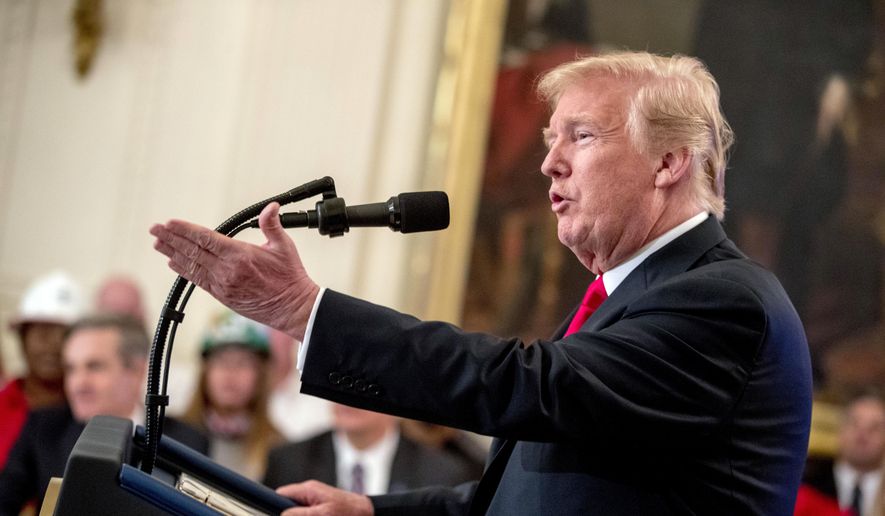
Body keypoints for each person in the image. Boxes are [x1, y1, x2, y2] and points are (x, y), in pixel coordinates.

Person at [150, 51, 813, 515]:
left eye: (579, 136)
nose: (548, 163)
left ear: (667, 161)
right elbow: (529, 493)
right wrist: (370, 513)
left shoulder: (721, 300)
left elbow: (524, 385)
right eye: (551, 139)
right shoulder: (629, 298)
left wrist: (305, 311)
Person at [0, 314, 208, 513]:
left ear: (137, 370)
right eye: (71, 369)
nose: (78, 384)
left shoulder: (187, 441)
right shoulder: (44, 430)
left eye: (94, 367)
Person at [264, 403, 478, 494]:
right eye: (338, 379)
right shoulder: (289, 462)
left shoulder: (442, 475)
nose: (347, 396)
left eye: (364, 382)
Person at [181, 311, 283, 481]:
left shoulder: (279, 450)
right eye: (221, 361)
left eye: (243, 363)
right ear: (205, 372)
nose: (230, 373)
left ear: (261, 376)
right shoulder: (170, 434)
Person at [0, 271, 85, 471]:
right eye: (43, 332)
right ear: (22, 338)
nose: (53, 346)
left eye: (65, 336)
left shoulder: (92, 419)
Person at [801, 393, 885, 516]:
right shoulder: (809, 482)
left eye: (874, 428)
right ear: (840, 430)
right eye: (854, 424)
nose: (863, 434)